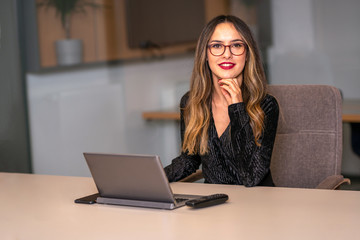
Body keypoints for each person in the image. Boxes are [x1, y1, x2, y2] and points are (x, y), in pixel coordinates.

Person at [164, 15, 279, 187]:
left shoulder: (266, 105)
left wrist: (237, 107)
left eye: (236, 45)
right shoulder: (191, 102)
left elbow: (251, 177)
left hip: (256, 206)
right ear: (205, 54)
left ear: (247, 54)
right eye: (217, 46)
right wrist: (150, 179)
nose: (227, 54)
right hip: (213, 204)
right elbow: (189, 160)